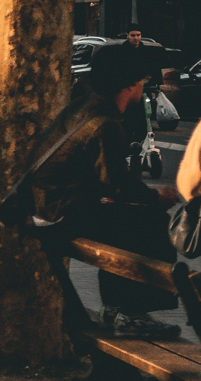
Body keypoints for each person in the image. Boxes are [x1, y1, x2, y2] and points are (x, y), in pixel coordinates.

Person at [26, 43, 177, 325]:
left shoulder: (84, 106)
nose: (143, 87)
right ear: (129, 85)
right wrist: (158, 197)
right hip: (60, 211)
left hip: (44, 204)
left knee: (123, 224)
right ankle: (133, 311)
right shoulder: (105, 122)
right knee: (152, 223)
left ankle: (116, 305)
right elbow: (117, 185)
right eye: (142, 82)